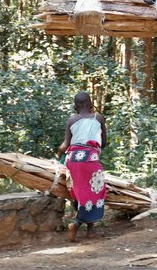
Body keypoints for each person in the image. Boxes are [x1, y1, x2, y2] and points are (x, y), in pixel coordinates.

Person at [57, 91, 107, 242]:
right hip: (90, 158)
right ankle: (78, 224)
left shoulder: (71, 120)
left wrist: (58, 154)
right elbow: (103, 143)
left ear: (75, 105)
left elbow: (66, 145)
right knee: (95, 190)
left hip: (73, 159)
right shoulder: (98, 118)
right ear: (90, 103)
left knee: (80, 192)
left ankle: (91, 229)